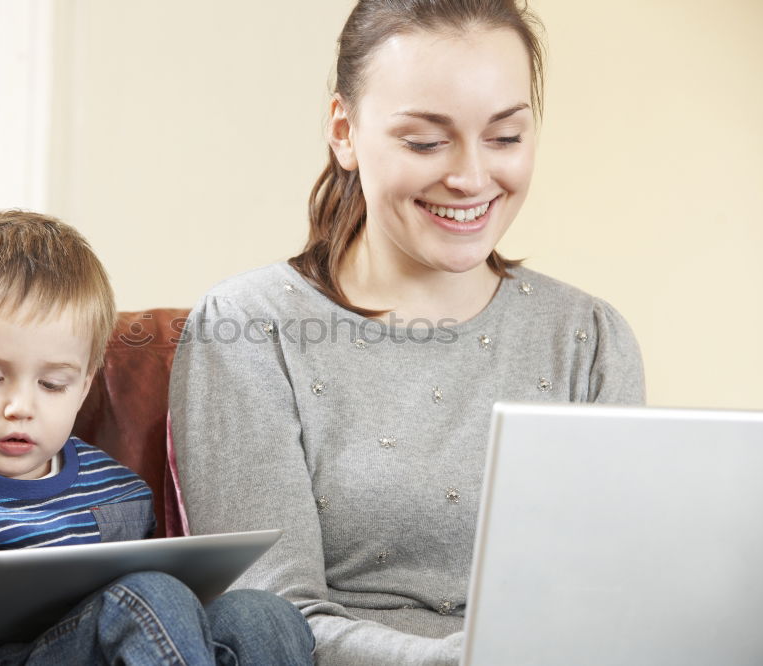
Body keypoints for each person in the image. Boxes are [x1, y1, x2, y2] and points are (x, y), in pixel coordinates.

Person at [168, 1, 644, 664]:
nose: (472, 178)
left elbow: (618, 598)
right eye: (425, 141)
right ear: (344, 131)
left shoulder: (589, 337)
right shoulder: (245, 328)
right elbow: (270, 624)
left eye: (505, 137)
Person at [0, 210, 314, 664]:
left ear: (84, 387)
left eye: (53, 384)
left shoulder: (116, 490)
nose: (21, 407)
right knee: (146, 598)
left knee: (264, 614)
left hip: (99, 642)